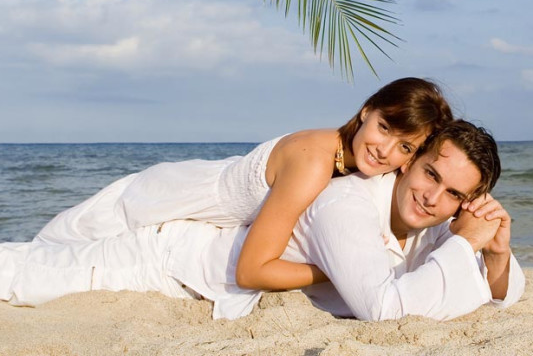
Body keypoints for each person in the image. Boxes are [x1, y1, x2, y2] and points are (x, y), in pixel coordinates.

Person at [1, 120, 525, 321]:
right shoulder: (346, 205)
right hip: (169, 261)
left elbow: (502, 293)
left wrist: (495, 253)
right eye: (431, 174)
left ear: (467, 202)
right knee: (25, 273)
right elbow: (388, 310)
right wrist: (463, 249)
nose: (432, 197)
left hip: (192, 272)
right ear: (410, 161)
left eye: (454, 193)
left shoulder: (437, 219)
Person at [33, 77, 452, 291]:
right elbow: (252, 271)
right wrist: (338, 269)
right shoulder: (314, 162)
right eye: (383, 128)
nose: (384, 151)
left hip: (195, 209)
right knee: (48, 251)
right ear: (365, 112)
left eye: (404, 147)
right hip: (164, 197)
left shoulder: (354, 159)